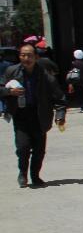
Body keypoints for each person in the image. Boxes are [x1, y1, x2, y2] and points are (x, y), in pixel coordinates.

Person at [0, 41, 64, 188]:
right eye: (22, 55)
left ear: (35, 57)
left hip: (40, 116)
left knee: (39, 149)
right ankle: (22, 173)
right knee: (23, 147)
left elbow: (59, 97)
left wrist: (60, 115)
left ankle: (35, 175)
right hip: (21, 115)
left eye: (29, 55)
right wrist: (9, 92)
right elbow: (1, 88)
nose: (25, 58)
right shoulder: (11, 71)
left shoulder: (45, 75)